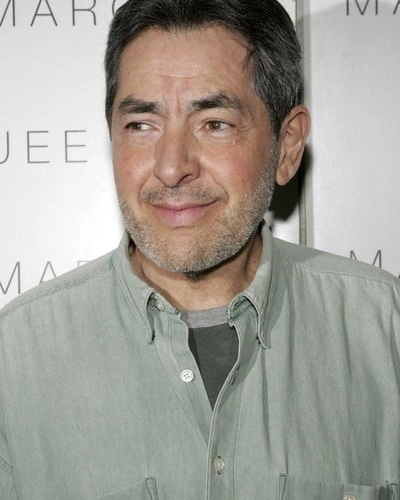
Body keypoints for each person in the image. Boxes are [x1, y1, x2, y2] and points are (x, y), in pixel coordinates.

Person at [1, 0, 399, 498]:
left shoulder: (386, 332)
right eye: (141, 125)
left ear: (287, 146)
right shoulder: (13, 361)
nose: (172, 167)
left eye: (214, 123)